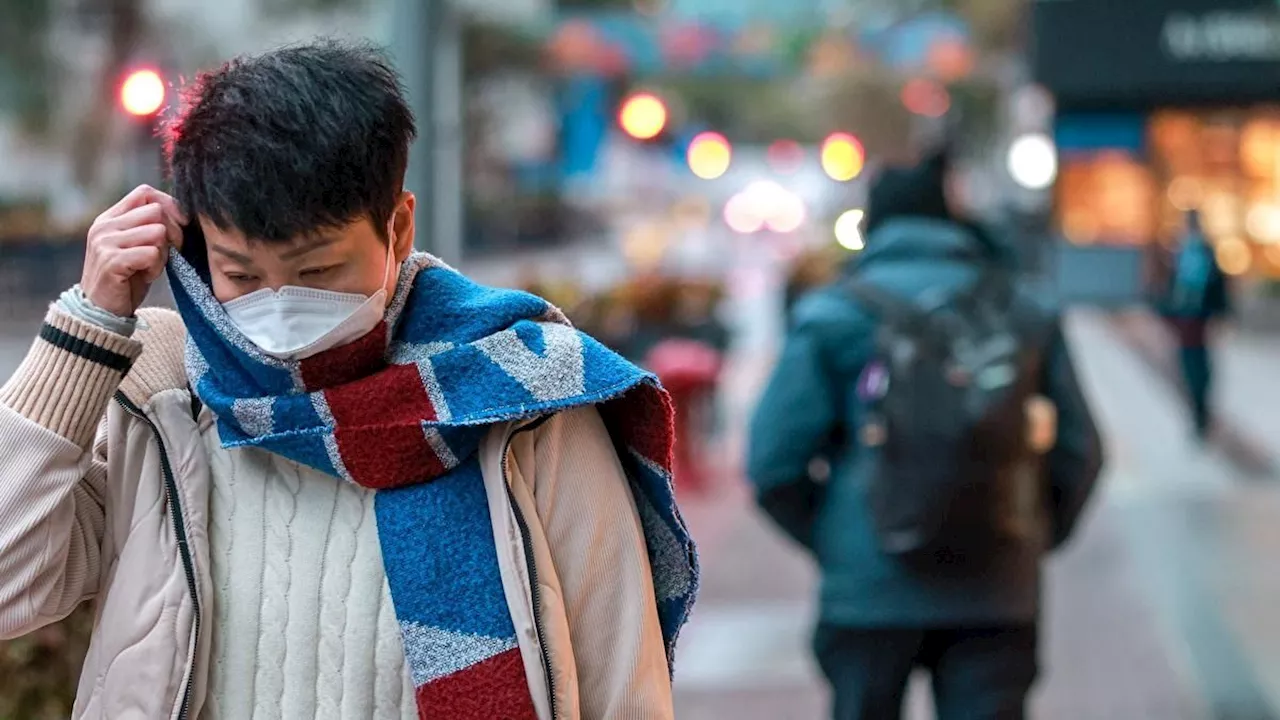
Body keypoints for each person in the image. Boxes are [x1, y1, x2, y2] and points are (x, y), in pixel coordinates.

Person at [0, 41, 696, 720]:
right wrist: (86, 328)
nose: (277, 305)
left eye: (317, 272)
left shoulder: (520, 397)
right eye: (240, 274)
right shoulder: (162, 394)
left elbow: (621, 685)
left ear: (396, 228)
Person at [747, 151, 1103, 720]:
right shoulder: (1025, 309)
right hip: (996, 586)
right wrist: (1030, 530)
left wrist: (839, 539)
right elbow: (1080, 451)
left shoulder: (834, 314)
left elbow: (772, 464)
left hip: (867, 592)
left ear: (874, 222)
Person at [1162, 209, 1231, 440]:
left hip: (1200, 321)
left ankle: (1202, 416)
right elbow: (1172, 288)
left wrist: (1219, 317)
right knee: (1187, 369)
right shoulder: (1181, 252)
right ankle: (1196, 415)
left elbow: (1218, 287)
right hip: (1185, 321)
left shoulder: (1204, 252)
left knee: (1200, 370)